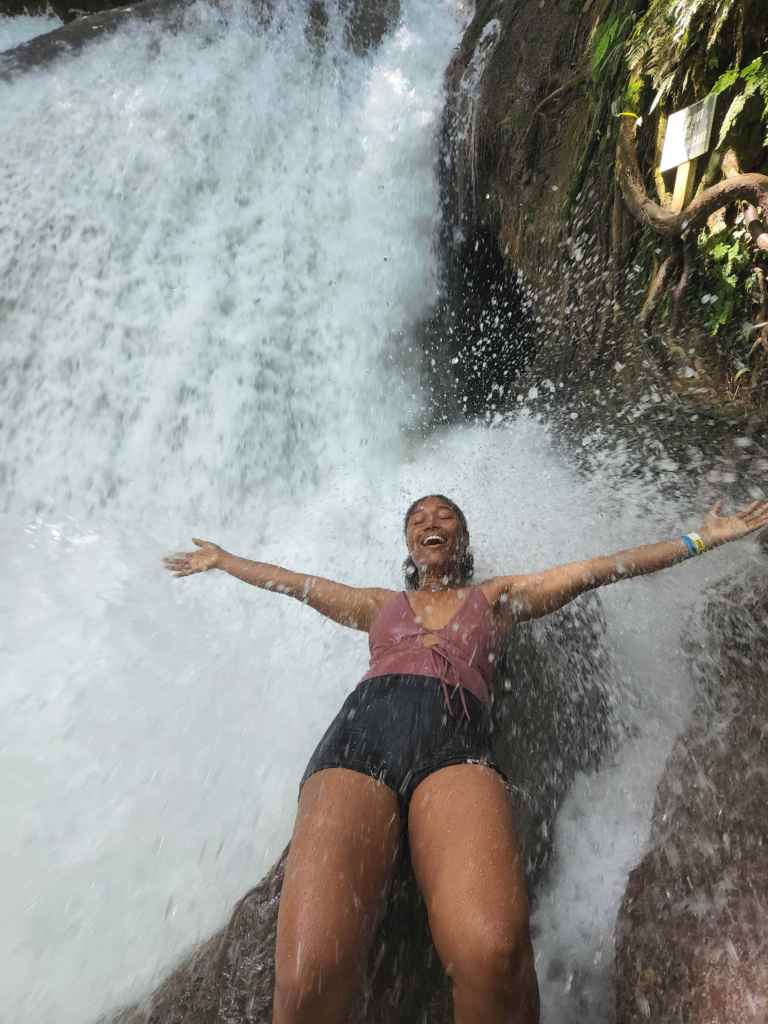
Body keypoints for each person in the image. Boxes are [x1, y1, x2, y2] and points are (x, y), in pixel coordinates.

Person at [164, 492, 768, 1024]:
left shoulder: (500, 598)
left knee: (496, 956)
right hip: (357, 739)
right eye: (419, 516)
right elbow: (294, 583)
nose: (432, 520)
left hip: (453, 746)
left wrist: (700, 539)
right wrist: (223, 561)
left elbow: (602, 569)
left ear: (462, 537)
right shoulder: (378, 605)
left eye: (445, 515)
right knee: (305, 976)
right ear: (408, 542)